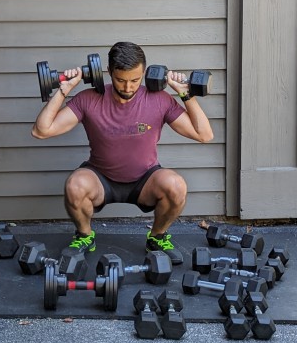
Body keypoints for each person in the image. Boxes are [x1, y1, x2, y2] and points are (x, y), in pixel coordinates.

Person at [31, 42, 214, 265]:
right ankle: (85, 236)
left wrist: (185, 94)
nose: (128, 87)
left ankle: (156, 237)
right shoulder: (89, 99)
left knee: (176, 186)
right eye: (121, 80)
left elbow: (204, 135)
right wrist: (64, 90)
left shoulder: (160, 100)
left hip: (145, 180)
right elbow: (41, 131)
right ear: (109, 72)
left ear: (144, 73)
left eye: (135, 80)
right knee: (75, 185)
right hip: (100, 178)